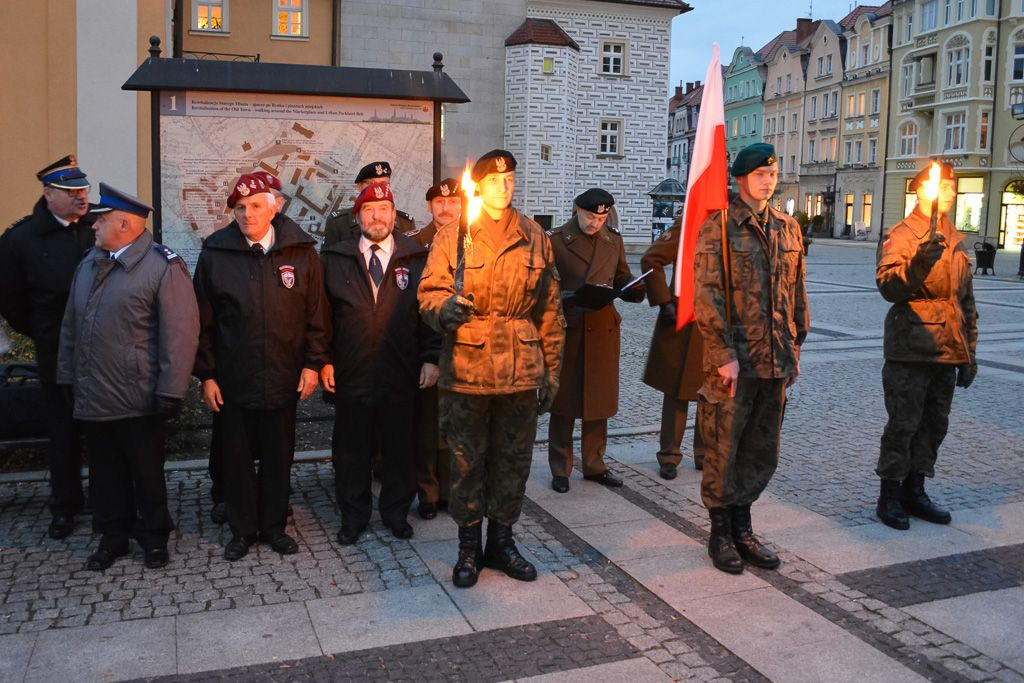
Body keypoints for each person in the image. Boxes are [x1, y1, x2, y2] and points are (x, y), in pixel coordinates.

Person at [419, 149, 564, 588]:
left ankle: (502, 542)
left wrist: (551, 371)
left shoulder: (535, 235)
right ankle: (468, 547)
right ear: (479, 186)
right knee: (467, 461)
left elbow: (551, 311)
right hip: (468, 369)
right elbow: (427, 294)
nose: (506, 186)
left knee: (513, 461)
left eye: (511, 179)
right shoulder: (455, 235)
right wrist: (446, 308)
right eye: (497, 180)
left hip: (521, 371)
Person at [55, 183, 199, 571]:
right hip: (95, 395)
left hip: (140, 398)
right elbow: (72, 325)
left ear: (124, 224)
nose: (93, 228)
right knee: (105, 474)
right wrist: (67, 377)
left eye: (99, 221)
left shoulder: (162, 267)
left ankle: (154, 538)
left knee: (146, 474)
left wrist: (171, 390)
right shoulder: (89, 263)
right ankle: (113, 537)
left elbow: (180, 333)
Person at [193, 173, 329, 561]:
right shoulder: (216, 254)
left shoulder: (302, 254)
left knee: (277, 456)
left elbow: (317, 315)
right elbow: (202, 321)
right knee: (235, 457)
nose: (247, 215)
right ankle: (242, 529)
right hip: (234, 379)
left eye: (255, 206)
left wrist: (312, 365)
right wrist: (207, 374)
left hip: (284, 376)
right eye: (239, 208)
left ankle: (273, 527)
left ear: (276, 205)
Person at [693, 143, 808, 574]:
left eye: (772, 174)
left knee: (762, 450)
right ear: (741, 180)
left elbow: (797, 295)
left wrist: (794, 348)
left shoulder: (788, 228)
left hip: (774, 360)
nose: (768, 181)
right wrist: (723, 355)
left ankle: (744, 528)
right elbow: (708, 296)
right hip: (734, 365)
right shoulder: (719, 228)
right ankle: (720, 533)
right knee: (724, 448)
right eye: (759, 175)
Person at [320, 183, 440, 544]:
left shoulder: (416, 256)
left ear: (394, 215)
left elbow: (429, 313)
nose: (377, 216)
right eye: (369, 209)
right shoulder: (334, 258)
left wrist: (431, 359)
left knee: (399, 450)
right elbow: (321, 318)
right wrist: (323, 361)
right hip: (351, 372)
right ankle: (353, 517)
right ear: (357, 217)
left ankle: (395, 514)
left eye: (384, 208)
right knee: (351, 451)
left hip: (400, 372)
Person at [875, 162, 978, 530]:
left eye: (952, 188)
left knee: (934, 424)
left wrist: (969, 352)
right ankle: (889, 494)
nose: (950, 193)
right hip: (911, 347)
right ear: (923, 192)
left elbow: (965, 301)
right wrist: (920, 261)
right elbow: (889, 287)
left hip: (947, 349)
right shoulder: (903, 235)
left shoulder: (954, 237)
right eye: (944, 187)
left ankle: (915, 489)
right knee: (903, 423)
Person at [0, 155, 96, 540]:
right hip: (57, 349)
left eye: (84, 189)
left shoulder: (95, 228)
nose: (82, 197)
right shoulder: (20, 240)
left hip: (104, 349)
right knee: (65, 431)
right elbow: (11, 301)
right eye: (72, 192)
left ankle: (109, 501)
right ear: (48, 194)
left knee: (105, 428)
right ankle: (66, 505)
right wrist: (44, 332)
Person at [547, 188, 645, 493]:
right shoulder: (556, 240)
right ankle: (560, 467)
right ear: (577, 210)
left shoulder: (612, 239)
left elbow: (620, 275)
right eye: (591, 216)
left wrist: (630, 287)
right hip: (570, 327)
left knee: (598, 402)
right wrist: (563, 298)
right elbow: (544, 284)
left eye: (602, 217)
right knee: (564, 403)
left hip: (603, 328)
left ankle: (595, 463)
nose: (596, 222)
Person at [406, 178, 461, 518]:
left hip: (465, 347)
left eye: (453, 202)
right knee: (426, 424)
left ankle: (452, 491)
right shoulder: (412, 245)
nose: (446, 207)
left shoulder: (474, 242)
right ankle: (427, 492)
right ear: (429, 206)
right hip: (424, 342)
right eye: (439, 202)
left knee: (457, 423)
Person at [641, 215, 706, 479]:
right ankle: (669, 454)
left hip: (718, 319)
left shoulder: (731, 225)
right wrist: (665, 301)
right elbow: (651, 259)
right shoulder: (691, 221)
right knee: (678, 391)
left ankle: (705, 454)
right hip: (686, 319)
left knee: (712, 393)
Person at [322, 161, 415, 248]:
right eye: (371, 183)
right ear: (359, 186)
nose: (377, 188)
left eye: (384, 184)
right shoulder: (338, 222)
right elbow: (329, 261)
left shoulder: (405, 223)